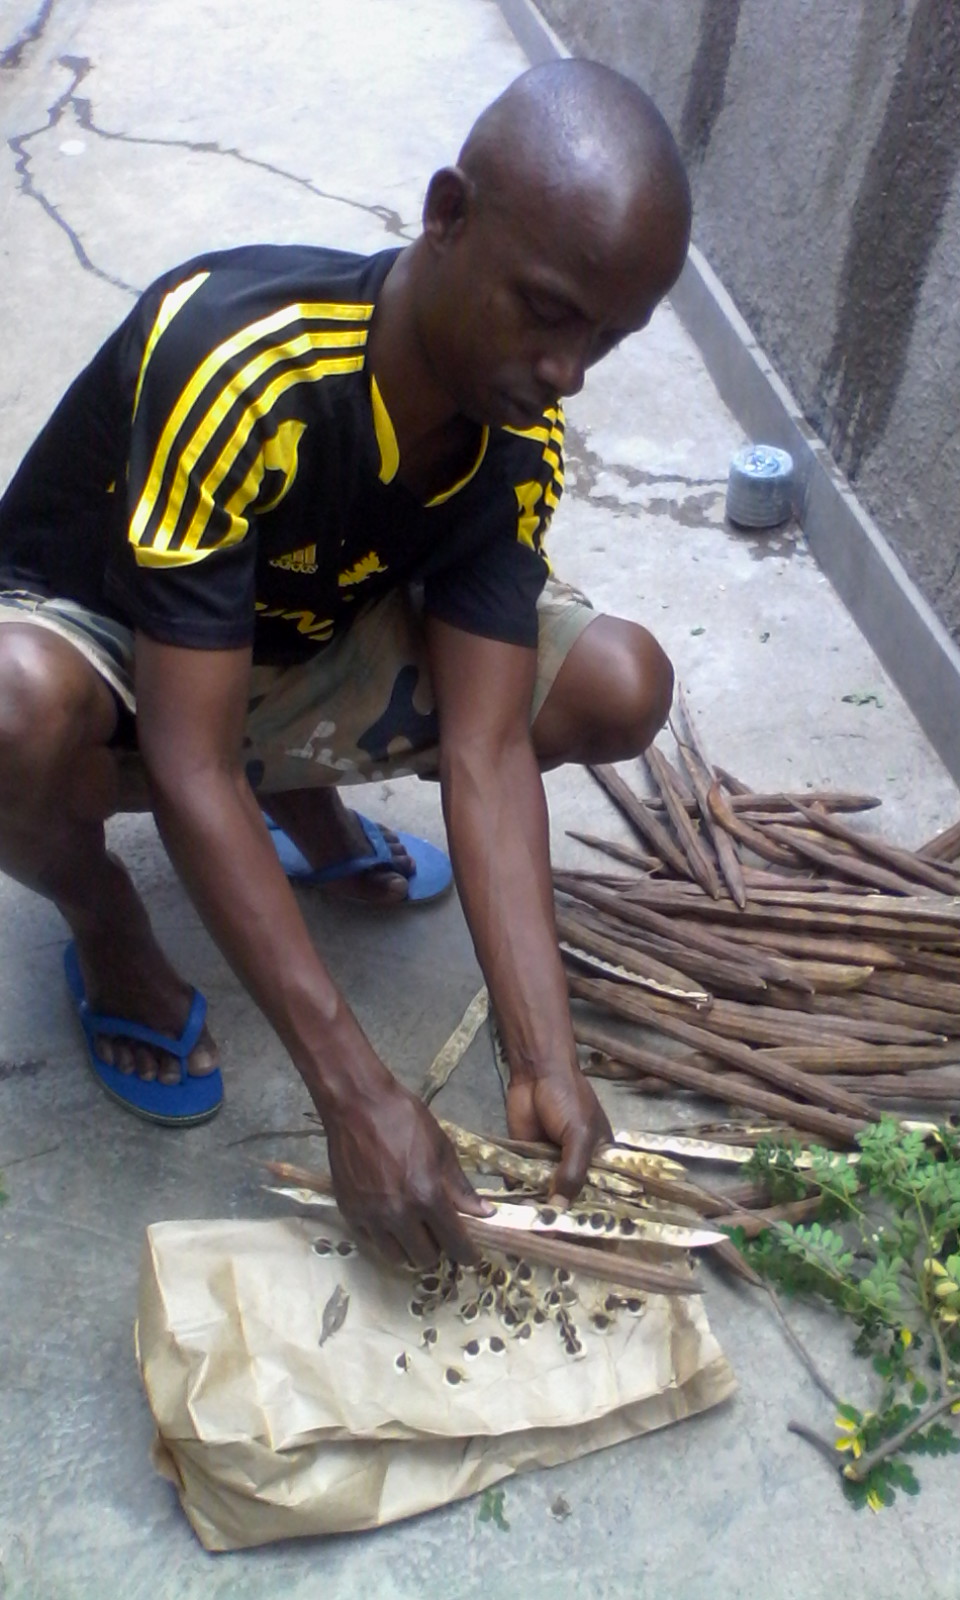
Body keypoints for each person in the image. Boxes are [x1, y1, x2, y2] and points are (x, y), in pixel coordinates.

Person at [0, 59, 690, 1267]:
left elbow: (483, 751)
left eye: (610, 336)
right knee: (8, 713)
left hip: (297, 626)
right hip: (117, 641)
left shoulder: (516, 431)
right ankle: (106, 922)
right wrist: (355, 1091)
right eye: (545, 309)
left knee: (618, 680)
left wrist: (544, 1056)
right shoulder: (241, 365)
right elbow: (186, 757)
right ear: (445, 215)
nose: (569, 371)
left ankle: (303, 802)